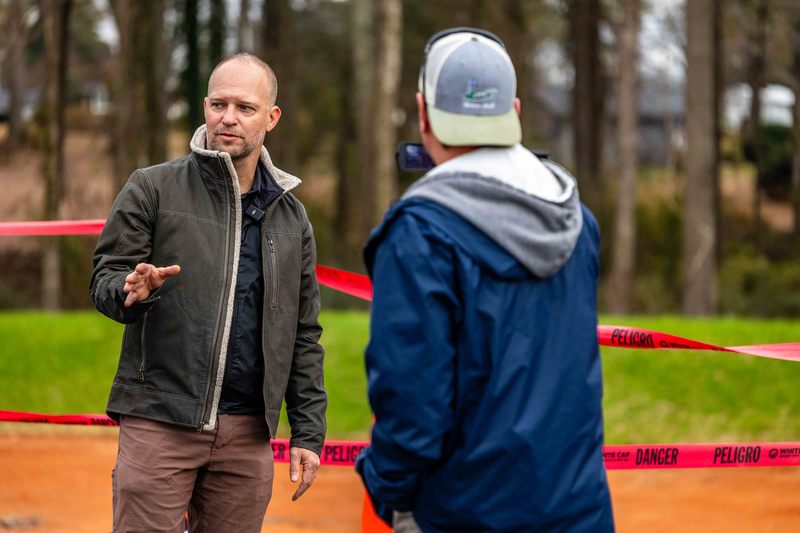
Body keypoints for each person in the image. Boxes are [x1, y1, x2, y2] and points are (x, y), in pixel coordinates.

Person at [355, 28, 614, 532]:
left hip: (462, 513)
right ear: (514, 111)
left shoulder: (419, 232)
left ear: (423, 113)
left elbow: (412, 408)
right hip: (579, 512)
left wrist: (387, 488)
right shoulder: (578, 221)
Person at [90, 53, 326, 532]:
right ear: (204, 107)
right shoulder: (152, 188)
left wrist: (307, 430)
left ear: (271, 118)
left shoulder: (292, 217)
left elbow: (302, 331)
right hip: (160, 420)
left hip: (247, 435)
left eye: (245, 107)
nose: (228, 118)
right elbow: (106, 278)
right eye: (219, 104)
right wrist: (131, 290)